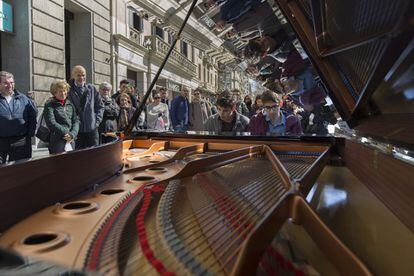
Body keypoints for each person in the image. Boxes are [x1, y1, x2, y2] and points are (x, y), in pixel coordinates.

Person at [0, 71, 37, 163]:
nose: (9, 85)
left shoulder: (24, 99)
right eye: (5, 83)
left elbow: (32, 117)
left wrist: (29, 135)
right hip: (1, 142)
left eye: (11, 83)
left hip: (21, 142)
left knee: (21, 171)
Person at [67, 65, 104, 149]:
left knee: (94, 155)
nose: (81, 77)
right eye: (78, 75)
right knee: (78, 156)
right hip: (77, 131)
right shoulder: (68, 91)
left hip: (92, 129)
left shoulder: (91, 89)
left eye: (83, 75)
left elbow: (100, 106)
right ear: (73, 76)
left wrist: (96, 122)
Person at [43, 80, 79, 154]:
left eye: (64, 90)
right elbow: (51, 122)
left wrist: (72, 134)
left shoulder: (70, 104)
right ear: (55, 92)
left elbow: (75, 121)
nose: (63, 93)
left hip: (71, 140)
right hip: (57, 141)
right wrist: (66, 133)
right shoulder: (50, 105)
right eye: (60, 91)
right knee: (59, 164)